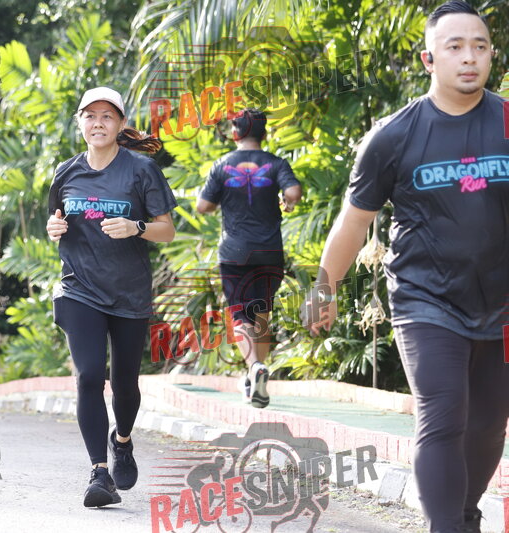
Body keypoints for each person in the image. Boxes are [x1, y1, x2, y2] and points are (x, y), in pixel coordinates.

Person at [305, 2, 508, 532]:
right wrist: (324, 288)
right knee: (444, 414)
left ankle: (463, 515)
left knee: (490, 424)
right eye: (455, 47)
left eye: (480, 46)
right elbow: (354, 222)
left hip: (502, 302)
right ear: (428, 59)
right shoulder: (394, 136)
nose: (469, 57)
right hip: (425, 300)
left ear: (492, 55)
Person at [46, 86, 177, 507]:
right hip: (78, 289)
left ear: (120, 124)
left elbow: (167, 230)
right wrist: (53, 229)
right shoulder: (66, 172)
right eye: (90, 115)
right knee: (88, 376)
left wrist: (135, 227)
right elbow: (56, 220)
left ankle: (122, 440)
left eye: (107, 116)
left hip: (128, 292)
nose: (98, 123)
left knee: (125, 384)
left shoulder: (141, 170)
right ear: (80, 123)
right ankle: (99, 473)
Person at [197, 108, 302, 409]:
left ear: (235, 133)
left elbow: (203, 206)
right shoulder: (276, 163)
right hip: (269, 251)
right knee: (262, 312)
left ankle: (254, 366)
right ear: (263, 134)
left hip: (235, 253)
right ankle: (254, 379)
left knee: (240, 314)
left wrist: (222, 201)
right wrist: (287, 201)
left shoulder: (222, 165)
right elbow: (294, 191)